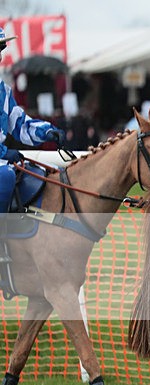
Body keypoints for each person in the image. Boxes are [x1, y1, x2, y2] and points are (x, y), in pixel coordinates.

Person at [0, 28, 65, 262]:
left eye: (2, 48)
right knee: (6, 176)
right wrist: (5, 153)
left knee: (38, 175)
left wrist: (47, 131)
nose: (0, 55)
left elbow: (20, 125)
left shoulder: (4, 91)